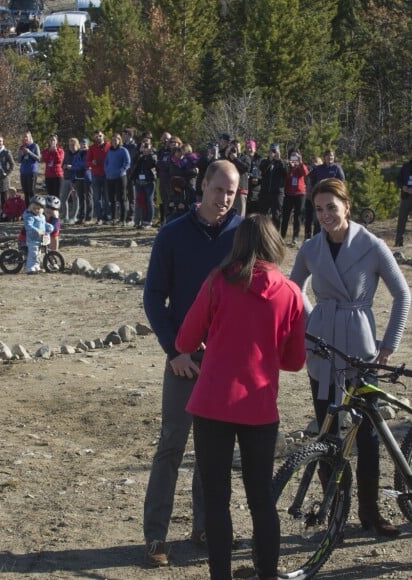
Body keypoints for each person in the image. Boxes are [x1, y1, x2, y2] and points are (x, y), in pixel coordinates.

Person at [175, 214, 306, 580]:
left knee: (217, 500)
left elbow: (185, 341)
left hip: (213, 403)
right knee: (262, 500)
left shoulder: (219, 281)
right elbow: (295, 362)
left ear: (240, 244)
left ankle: (220, 575)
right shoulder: (292, 292)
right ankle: (267, 573)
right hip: (260, 407)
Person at [290, 178, 411, 538]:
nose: (325, 214)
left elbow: (403, 294)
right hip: (323, 348)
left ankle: (370, 512)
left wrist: (388, 344)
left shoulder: (372, 245)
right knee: (328, 431)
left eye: (331, 207)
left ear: (347, 206)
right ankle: (333, 514)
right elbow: (293, 289)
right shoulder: (311, 248)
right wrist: (315, 318)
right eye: (319, 208)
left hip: (361, 349)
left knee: (369, 434)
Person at [142, 160, 244, 567]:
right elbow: (153, 297)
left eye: (231, 192)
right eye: (218, 190)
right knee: (171, 446)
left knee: (214, 451)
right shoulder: (173, 235)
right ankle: (155, 536)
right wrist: (174, 352)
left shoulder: (242, 235)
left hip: (227, 361)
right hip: (184, 359)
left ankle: (206, 527)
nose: (223, 199)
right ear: (203, 186)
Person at [280, 148, 308, 246]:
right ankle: (282, 236)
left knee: (298, 216)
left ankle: (295, 238)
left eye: (296, 155)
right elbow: (285, 177)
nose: (294, 157)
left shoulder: (301, 165)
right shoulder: (288, 165)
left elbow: (305, 173)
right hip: (289, 193)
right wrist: (290, 168)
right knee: (285, 216)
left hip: (300, 194)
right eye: (292, 155)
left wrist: (300, 163)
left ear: (299, 156)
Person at [104, 133, 131, 225]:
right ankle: (113, 218)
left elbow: (127, 163)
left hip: (120, 177)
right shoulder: (110, 151)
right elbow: (106, 162)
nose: (114, 141)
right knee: (112, 199)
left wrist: (121, 171)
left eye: (116, 140)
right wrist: (107, 170)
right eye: (113, 140)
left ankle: (122, 219)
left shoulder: (123, 150)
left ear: (119, 140)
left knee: (121, 198)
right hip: (110, 177)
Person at [259, 143, 287, 229]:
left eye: (275, 151)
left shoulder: (282, 163)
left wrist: (279, 160)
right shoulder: (264, 162)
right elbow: (262, 170)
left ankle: (275, 234)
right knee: (263, 214)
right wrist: (269, 160)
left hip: (277, 193)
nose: (273, 153)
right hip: (265, 192)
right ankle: (262, 232)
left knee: (276, 215)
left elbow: (286, 173)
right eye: (272, 151)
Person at [130, 137, 157, 228]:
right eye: (143, 144)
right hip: (139, 181)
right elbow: (134, 162)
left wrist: (148, 153)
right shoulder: (139, 154)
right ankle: (141, 220)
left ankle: (149, 221)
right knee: (140, 201)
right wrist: (140, 152)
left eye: (147, 145)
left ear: (151, 146)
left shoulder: (153, 155)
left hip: (149, 182)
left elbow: (152, 164)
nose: (145, 147)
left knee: (149, 201)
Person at [23, 194, 53, 274]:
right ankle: (30, 268)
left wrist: (48, 226)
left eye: (38, 209)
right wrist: (36, 230)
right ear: (30, 207)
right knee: (33, 254)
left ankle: (36, 267)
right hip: (32, 239)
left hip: (40, 239)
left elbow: (43, 224)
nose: (36, 210)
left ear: (43, 209)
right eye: (34, 208)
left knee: (38, 254)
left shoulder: (41, 216)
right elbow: (28, 226)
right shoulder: (29, 216)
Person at [87, 130, 110, 224]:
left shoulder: (109, 146)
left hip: (107, 174)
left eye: (100, 136)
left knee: (107, 197)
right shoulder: (92, 148)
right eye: (96, 136)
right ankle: (99, 217)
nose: (98, 138)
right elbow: (87, 161)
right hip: (96, 174)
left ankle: (107, 217)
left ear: (103, 136)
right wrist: (92, 163)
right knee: (97, 197)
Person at [226, 140, 251, 217]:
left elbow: (246, 168)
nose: (236, 148)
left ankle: (239, 229)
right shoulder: (229, 158)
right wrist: (227, 156)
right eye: (234, 146)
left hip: (241, 189)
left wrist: (235, 159)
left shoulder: (245, 157)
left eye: (238, 146)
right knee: (228, 213)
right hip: (230, 189)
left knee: (240, 214)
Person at [17, 131, 41, 206]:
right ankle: (27, 210)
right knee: (25, 192)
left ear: (30, 137)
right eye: (23, 137)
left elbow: (39, 158)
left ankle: (33, 209)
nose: (25, 138)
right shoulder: (21, 147)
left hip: (32, 171)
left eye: (26, 137)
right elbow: (19, 160)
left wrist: (29, 152)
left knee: (31, 191)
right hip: (23, 172)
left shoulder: (35, 146)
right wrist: (21, 154)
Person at [72, 138, 93, 224]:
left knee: (88, 198)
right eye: (81, 144)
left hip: (87, 178)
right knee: (81, 198)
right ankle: (81, 216)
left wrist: (80, 165)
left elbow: (87, 164)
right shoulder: (78, 154)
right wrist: (73, 180)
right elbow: (74, 165)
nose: (83, 145)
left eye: (84, 144)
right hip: (78, 178)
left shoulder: (90, 153)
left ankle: (88, 217)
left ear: (87, 145)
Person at [60, 138, 80, 224]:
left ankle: (74, 217)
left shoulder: (80, 154)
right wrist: (64, 166)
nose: (71, 146)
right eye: (70, 145)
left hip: (75, 179)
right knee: (63, 198)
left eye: (73, 144)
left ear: (77, 145)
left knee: (75, 198)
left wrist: (72, 167)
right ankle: (65, 216)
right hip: (66, 178)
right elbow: (62, 164)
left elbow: (81, 165)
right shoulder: (67, 153)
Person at [394, 155, 412, 247]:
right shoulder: (406, 167)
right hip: (406, 197)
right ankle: (398, 242)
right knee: (402, 220)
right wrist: (403, 187)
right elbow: (398, 180)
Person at [122, 127, 139, 225]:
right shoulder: (123, 146)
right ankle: (125, 215)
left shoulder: (135, 147)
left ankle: (131, 216)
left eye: (124, 135)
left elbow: (134, 161)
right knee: (124, 195)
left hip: (132, 174)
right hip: (123, 174)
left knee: (132, 196)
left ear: (128, 135)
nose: (122, 137)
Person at [245, 140, 262, 215]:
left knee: (253, 215)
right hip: (245, 189)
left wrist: (258, 178)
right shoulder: (243, 158)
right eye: (248, 147)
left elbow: (263, 175)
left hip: (256, 192)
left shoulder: (260, 160)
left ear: (255, 149)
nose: (249, 149)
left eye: (251, 147)